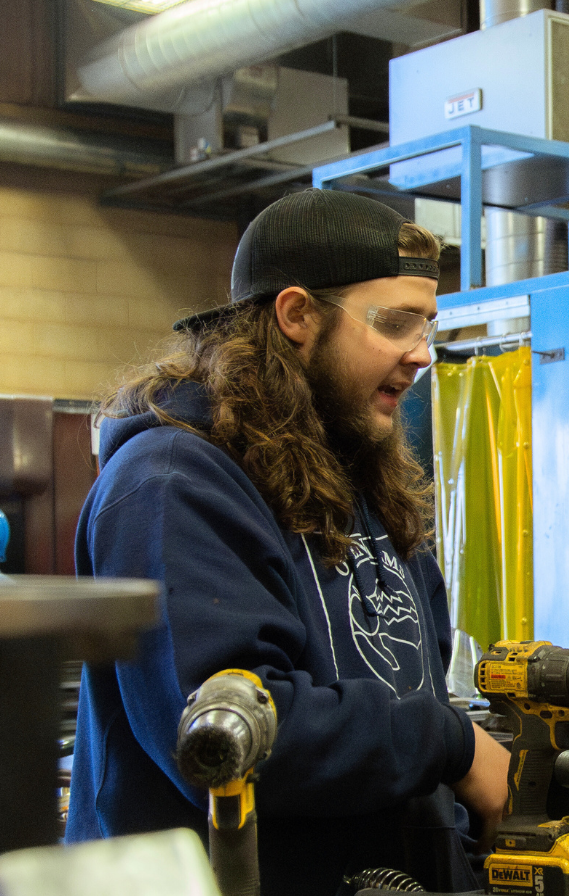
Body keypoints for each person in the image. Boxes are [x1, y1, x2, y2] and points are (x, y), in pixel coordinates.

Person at [67, 188, 510, 896]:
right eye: (395, 323)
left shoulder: (366, 478)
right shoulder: (170, 482)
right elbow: (227, 737)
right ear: (297, 314)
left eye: (428, 323)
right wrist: (449, 744)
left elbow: (412, 680)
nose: (423, 353)